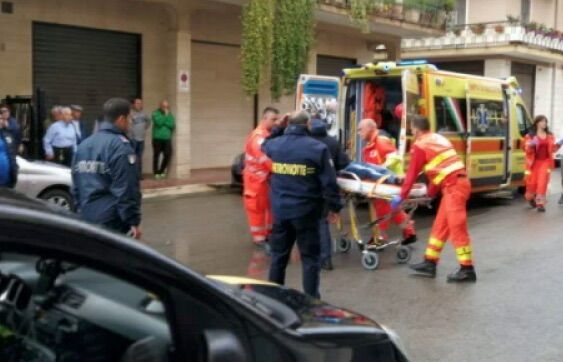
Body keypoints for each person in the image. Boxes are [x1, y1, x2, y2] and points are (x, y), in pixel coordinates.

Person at [262, 111, 342, 298]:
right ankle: (311, 299)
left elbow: (263, 145)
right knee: (309, 259)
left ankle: (274, 297)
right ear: (308, 125)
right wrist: (334, 207)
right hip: (306, 212)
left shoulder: (275, 145)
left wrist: (279, 127)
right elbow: (329, 183)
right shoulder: (317, 148)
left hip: (281, 211)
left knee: (278, 257)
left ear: (289, 123)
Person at [391, 116, 476, 282]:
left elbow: (411, 175)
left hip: (454, 187)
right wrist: (430, 193)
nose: (412, 133)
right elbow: (441, 169)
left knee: (457, 228)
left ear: (416, 129)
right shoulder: (439, 139)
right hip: (455, 184)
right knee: (440, 227)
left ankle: (467, 268)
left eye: (412, 130)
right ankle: (430, 263)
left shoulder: (420, 145)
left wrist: (401, 197)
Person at [72, 98, 142, 239]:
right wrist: (132, 221)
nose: (130, 123)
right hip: (112, 223)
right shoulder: (121, 147)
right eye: (129, 118)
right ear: (122, 118)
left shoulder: (84, 144)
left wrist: (81, 210)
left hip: (86, 217)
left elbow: (76, 185)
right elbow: (126, 189)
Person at [358, 118, 417, 246]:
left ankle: (380, 237)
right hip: (383, 182)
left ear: (370, 128)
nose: (358, 132)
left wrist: (382, 169)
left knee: (382, 208)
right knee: (394, 209)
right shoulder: (371, 145)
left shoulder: (380, 141)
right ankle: (409, 232)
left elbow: (394, 157)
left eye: (360, 129)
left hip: (388, 182)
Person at [309, 117, 350, 271]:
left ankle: (309, 256)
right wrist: (336, 204)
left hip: (306, 188)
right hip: (325, 189)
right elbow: (344, 163)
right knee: (321, 223)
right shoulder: (332, 142)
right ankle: (325, 259)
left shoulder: (306, 142)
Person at [242, 107, 279, 246]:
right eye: (273, 119)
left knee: (268, 207)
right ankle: (259, 238)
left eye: (277, 119)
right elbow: (265, 160)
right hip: (255, 180)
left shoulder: (267, 136)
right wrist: (281, 170)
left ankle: (268, 234)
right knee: (256, 208)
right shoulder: (258, 137)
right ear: (265, 119)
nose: (275, 122)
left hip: (263, 179)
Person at [523, 115, 562, 211]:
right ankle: (530, 198)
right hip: (532, 164)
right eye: (542, 121)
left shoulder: (550, 136)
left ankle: (540, 203)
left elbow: (552, 149)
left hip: (545, 162)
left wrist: (560, 143)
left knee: (542, 183)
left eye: (545, 121)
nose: (544, 123)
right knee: (531, 184)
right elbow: (527, 150)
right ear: (537, 123)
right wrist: (531, 145)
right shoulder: (530, 136)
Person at [152, 100, 175, 179]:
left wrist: (165, 120)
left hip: (167, 138)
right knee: (157, 155)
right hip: (157, 138)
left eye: (167, 106)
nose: (165, 108)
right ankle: (156, 172)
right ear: (160, 106)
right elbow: (159, 123)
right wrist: (165, 117)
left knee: (167, 154)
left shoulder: (170, 114)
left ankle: (161, 170)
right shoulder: (155, 113)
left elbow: (171, 125)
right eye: (164, 106)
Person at [129, 98, 151, 178]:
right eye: (137, 103)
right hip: (133, 139)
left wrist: (144, 128)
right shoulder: (130, 113)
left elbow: (148, 121)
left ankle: (139, 175)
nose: (139, 105)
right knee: (132, 157)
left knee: (139, 157)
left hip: (141, 139)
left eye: (140, 103)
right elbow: (127, 125)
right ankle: (131, 174)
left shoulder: (144, 113)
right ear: (134, 104)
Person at [0, 116, 18, 188]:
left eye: (1, 118)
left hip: (7, 180)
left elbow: (12, 154)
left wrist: (15, 171)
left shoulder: (8, 135)